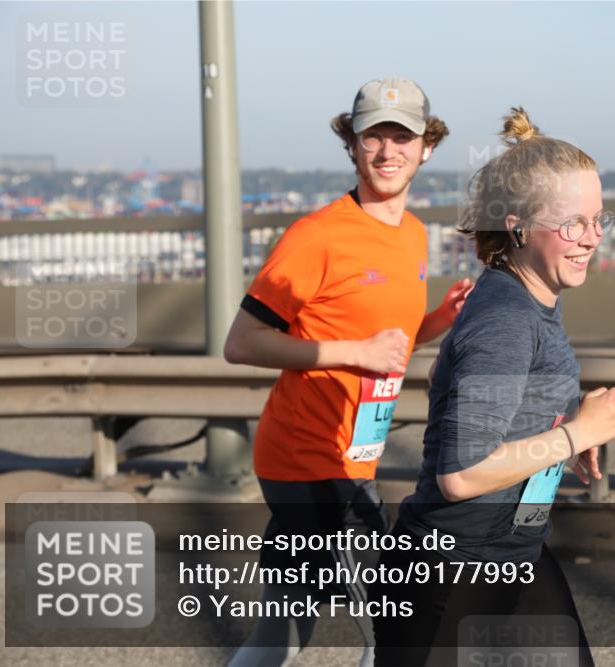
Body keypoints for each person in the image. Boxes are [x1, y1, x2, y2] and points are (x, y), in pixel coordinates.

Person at [224, 77, 473, 667]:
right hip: (312, 460)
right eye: (373, 137)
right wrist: (353, 352)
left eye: (403, 137)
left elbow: (387, 342)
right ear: (352, 145)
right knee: (393, 626)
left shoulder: (412, 235)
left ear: (427, 147)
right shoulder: (317, 236)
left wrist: (440, 320)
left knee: (284, 629)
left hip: (348, 457)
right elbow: (242, 343)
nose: (388, 152)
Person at [371, 107, 615, 666]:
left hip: (512, 555)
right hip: (451, 572)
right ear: (517, 227)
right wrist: (573, 435)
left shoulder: (525, 299)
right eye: (572, 224)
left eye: (598, 219)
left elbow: (447, 377)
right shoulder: (507, 317)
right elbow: (461, 474)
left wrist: (552, 421)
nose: (592, 239)